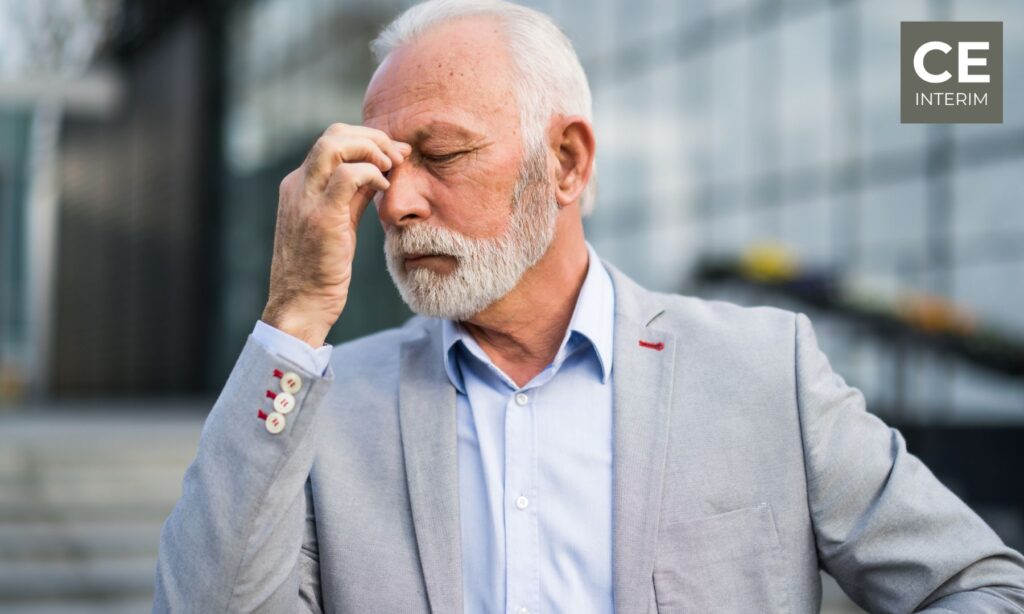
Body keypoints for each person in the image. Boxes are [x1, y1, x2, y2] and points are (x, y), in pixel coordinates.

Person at [153, 1, 1024, 612]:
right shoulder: (325, 404)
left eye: (441, 155)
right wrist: (296, 313)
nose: (398, 203)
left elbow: (977, 586)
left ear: (566, 161)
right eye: (386, 168)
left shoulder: (764, 371)